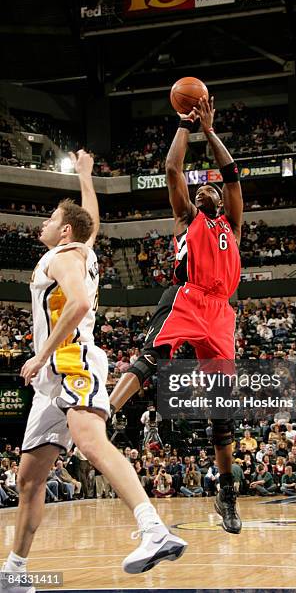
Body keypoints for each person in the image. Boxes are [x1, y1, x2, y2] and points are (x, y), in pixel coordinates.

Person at [0, 151, 186, 589]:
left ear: (63, 231)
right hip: (52, 383)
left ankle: (153, 529)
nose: (42, 224)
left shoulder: (62, 256)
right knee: (29, 478)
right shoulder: (82, 247)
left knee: (91, 442)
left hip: (69, 362)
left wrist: (41, 353)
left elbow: (81, 303)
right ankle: (17, 571)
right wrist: (86, 177)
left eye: (49, 218)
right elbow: (92, 223)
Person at [109, 96, 243, 534]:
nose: (205, 187)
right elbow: (171, 169)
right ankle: (106, 413)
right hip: (187, 295)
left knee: (222, 411)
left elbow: (232, 174)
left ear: (221, 201)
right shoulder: (187, 216)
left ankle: (227, 495)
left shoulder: (232, 225)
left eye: (213, 188)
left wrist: (209, 131)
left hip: (221, 311)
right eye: (199, 186)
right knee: (153, 356)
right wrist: (186, 126)